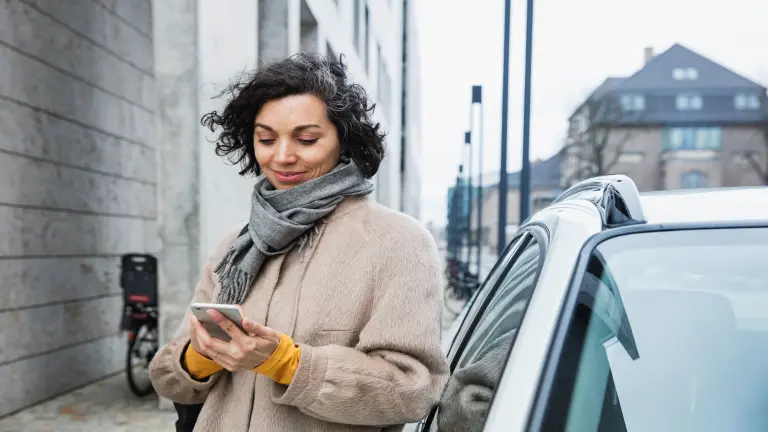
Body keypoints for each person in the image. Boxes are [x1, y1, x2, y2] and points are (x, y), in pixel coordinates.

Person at [149, 53, 448, 432]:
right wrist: (199, 359)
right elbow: (167, 376)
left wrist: (287, 363)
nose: (283, 156)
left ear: (344, 138)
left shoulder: (397, 242)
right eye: (266, 139)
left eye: (306, 139)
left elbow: (412, 389)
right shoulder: (235, 246)